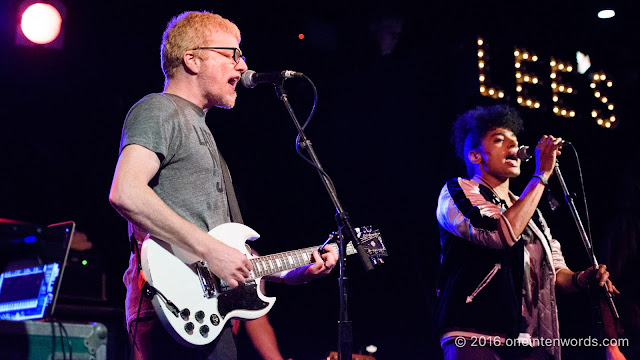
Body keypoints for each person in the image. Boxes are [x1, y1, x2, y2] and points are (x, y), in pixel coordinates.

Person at [108, 11, 337, 360]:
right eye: (232, 54)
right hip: (169, 307)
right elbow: (126, 192)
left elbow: (223, 247)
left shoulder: (201, 129)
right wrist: (210, 251)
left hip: (205, 315)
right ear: (192, 59)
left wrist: (292, 271)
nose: (243, 66)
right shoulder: (159, 109)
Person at [434, 104, 620, 360]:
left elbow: (555, 274)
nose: (513, 146)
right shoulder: (457, 191)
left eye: (515, 140)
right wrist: (541, 175)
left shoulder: (531, 212)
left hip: (529, 342)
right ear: (475, 156)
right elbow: (498, 234)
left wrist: (580, 279)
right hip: (475, 333)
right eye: (500, 140)